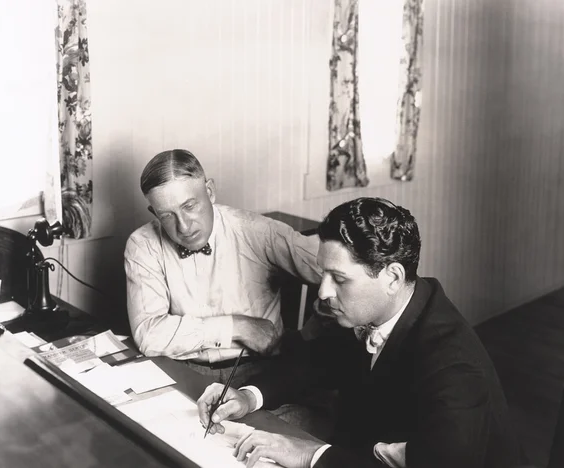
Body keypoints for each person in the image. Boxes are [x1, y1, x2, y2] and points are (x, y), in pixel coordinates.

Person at [196, 197, 521, 468]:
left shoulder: (454, 365)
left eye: (339, 278)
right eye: (323, 274)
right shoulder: (375, 309)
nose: (323, 292)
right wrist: (248, 396)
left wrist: (310, 454)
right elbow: (316, 363)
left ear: (392, 277)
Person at [124, 149, 322, 387]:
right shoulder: (142, 245)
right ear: (154, 213)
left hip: (260, 372)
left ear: (209, 191)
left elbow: (339, 271)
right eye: (167, 215)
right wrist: (238, 327)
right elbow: (149, 335)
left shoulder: (258, 232)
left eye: (189, 206)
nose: (184, 227)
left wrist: (308, 338)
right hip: (181, 371)